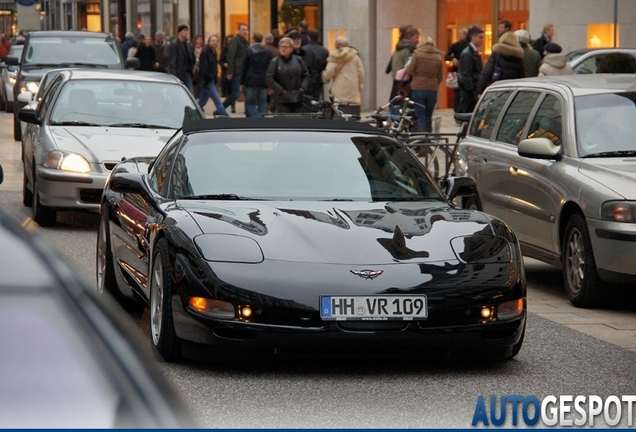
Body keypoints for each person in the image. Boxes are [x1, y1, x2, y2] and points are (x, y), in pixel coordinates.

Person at [405, 35, 443, 132]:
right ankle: (428, 137)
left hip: (418, 87)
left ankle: (421, 138)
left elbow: (409, 71)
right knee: (428, 116)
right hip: (432, 89)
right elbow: (440, 77)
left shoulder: (417, 54)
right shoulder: (438, 56)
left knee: (420, 114)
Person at [322, 36, 364, 117]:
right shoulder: (355, 57)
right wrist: (359, 85)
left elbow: (329, 72)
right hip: (353, 91)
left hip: (338, 90)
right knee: (353, 114)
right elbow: (361, 72)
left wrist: (324, 77)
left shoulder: (335, 57)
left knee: (339, 112)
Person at [266, 36, 310, 113]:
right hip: (281, 98)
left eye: (285, 47)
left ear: (291, 48)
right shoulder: (275, 62)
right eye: (281, 47)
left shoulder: (298, 59)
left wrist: (302, 88)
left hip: (298, 97)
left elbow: (306, 75)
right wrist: (282, 91)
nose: (283, 49)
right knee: (284, 122)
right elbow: (269, 79)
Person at [476, 31, 524, 95]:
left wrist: (479, 91)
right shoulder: (518, 57)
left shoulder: (497, 54)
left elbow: (487, 72)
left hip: (496, 89)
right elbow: (521, 77)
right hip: (512, 92)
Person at [240, 32, 273, 117]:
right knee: (262, 103)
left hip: (251, 81)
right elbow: (270, 69)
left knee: (250, 103)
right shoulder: (268, 52)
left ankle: (257, 119)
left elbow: (244, 67)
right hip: (263, 81)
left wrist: (242, 82)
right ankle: (261, 123)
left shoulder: (248, 51)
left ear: (253, 39)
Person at [198, 35, 229, 117]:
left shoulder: (214, 52)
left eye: (216, 41)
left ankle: (195, 111)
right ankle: (227, 118)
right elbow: (204, 68)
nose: (215, 43)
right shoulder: (205, 52)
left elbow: (214, 67)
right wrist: (210, 78)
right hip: (208, 81)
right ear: (209, 42)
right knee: (217, 101)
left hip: (210, 80)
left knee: (202, 101)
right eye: (213, 41)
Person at [456, 26, 485, 113]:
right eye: (480, 37)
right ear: (473, 37)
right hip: (469, 91)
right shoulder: (468, 53)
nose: (482, 40)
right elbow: (466, 74)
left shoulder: (472, 52)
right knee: (467, 114)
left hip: (471, 89)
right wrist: (472, 92)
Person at [222, 22, 249, 112]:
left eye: (246, 30)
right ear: (238, 30)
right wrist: (230, 71)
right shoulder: (235, 40)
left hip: (244, 70)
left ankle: (248, 110)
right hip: (237, 70)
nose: (245, 31)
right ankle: (221, 108)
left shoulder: (245, 41)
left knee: (245, 92)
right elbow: (231, 56)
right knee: (235, 93)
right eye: (243, 29)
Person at [389, 25, 420, 102]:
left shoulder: (398, 47)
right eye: (416, 37)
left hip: (397, 79)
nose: (418, 40)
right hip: (405, 81)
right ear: (410, 36)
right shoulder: (410, 48)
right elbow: (410, 66)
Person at [444, 28, 468, 112]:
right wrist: (453, 58)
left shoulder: (468, 45)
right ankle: (457, 110)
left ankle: (462, 109)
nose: (459, 36)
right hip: (457, 70)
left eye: (461, 34)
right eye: (459, 34)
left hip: (465, 70)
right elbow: (446, 56)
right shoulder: (455, 45)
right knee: (457, 92)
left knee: (464, 92)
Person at [302, 29, 329, 101]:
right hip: (318, 79)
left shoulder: (303, 49)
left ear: (309, 37)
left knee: (307, 103)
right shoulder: (324, 50)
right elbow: (325, 65)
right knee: (316, 101)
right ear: (318, 38)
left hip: (306, 79)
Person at [168, 24, 195, 94]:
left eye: (187, 31)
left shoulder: (187, 43)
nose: (186, 33)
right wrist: (174, 75)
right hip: (179, 73)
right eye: (185, 30)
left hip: (187, 72)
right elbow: (172, 61)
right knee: (179, 92)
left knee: (190, 93)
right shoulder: (175, 44)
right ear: (180, 32)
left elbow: (191, 57)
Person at [219, 35, 235, 113]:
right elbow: (220, 60)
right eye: (228, 40)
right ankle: (228, 105)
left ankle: (232, 106)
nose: (230, 42)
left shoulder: (236, 50)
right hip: (226, 72)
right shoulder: (224, 50)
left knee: (234, 90)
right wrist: (224, 64)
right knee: (229, 91)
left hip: (235, 72)